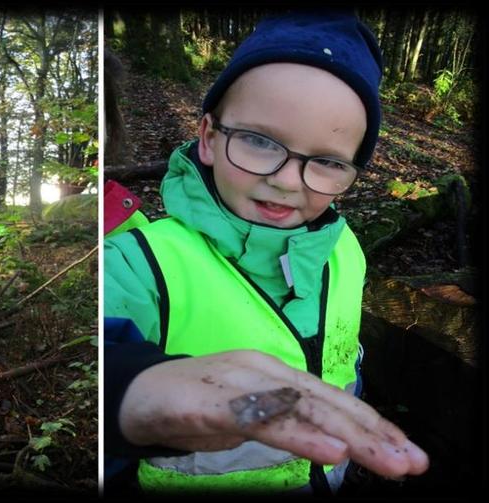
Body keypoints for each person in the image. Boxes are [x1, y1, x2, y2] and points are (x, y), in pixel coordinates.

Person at [103, 12, 429, 493]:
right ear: (209, 138)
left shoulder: (344, 250)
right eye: (259, 141)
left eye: (327, 162)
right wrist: (132, 394)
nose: (285, 180)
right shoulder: (138, 263)